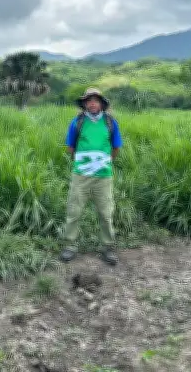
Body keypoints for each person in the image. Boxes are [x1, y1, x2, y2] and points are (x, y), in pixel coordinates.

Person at [59, 87, 123, 266]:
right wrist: (82, 164)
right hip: (81, 176)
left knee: (106, 213)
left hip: (103, 177)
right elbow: (70, 147)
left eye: (96, 100)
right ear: (84, 104)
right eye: (89, 100)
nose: (92, 103)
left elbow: (116, 147)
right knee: (74, 211)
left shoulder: (110, 122)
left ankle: (108, 247)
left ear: (102, 103)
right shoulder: (77, 122)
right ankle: (70, 246)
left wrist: (105, 162)